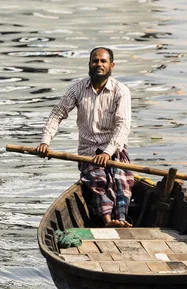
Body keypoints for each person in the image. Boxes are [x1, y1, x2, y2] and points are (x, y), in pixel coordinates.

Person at [36, 47, 134, 227]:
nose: (99, 64)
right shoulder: (77, 89)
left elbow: (123, 126)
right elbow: (57, 114)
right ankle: (107, 221)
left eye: (103, 61)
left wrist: (107, 153)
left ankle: (120, 220)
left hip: (114, 151)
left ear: (111, 65)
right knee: (99, 181)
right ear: (89, 64)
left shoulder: (121, 91)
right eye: (95, 61)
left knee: (124, 182)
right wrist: (45, 142)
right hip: (88, 153)